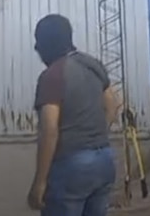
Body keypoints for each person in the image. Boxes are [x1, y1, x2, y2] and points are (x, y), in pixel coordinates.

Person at [28, 14, 119, 216]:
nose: (36, 48)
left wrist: (40, 182)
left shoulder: (52, 76)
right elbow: (112, 105)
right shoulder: (92, 65)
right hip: (104, 161)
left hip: (71, 167)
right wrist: (95, 136)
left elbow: (49, 131)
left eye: (38, 42)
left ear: (48, 44)